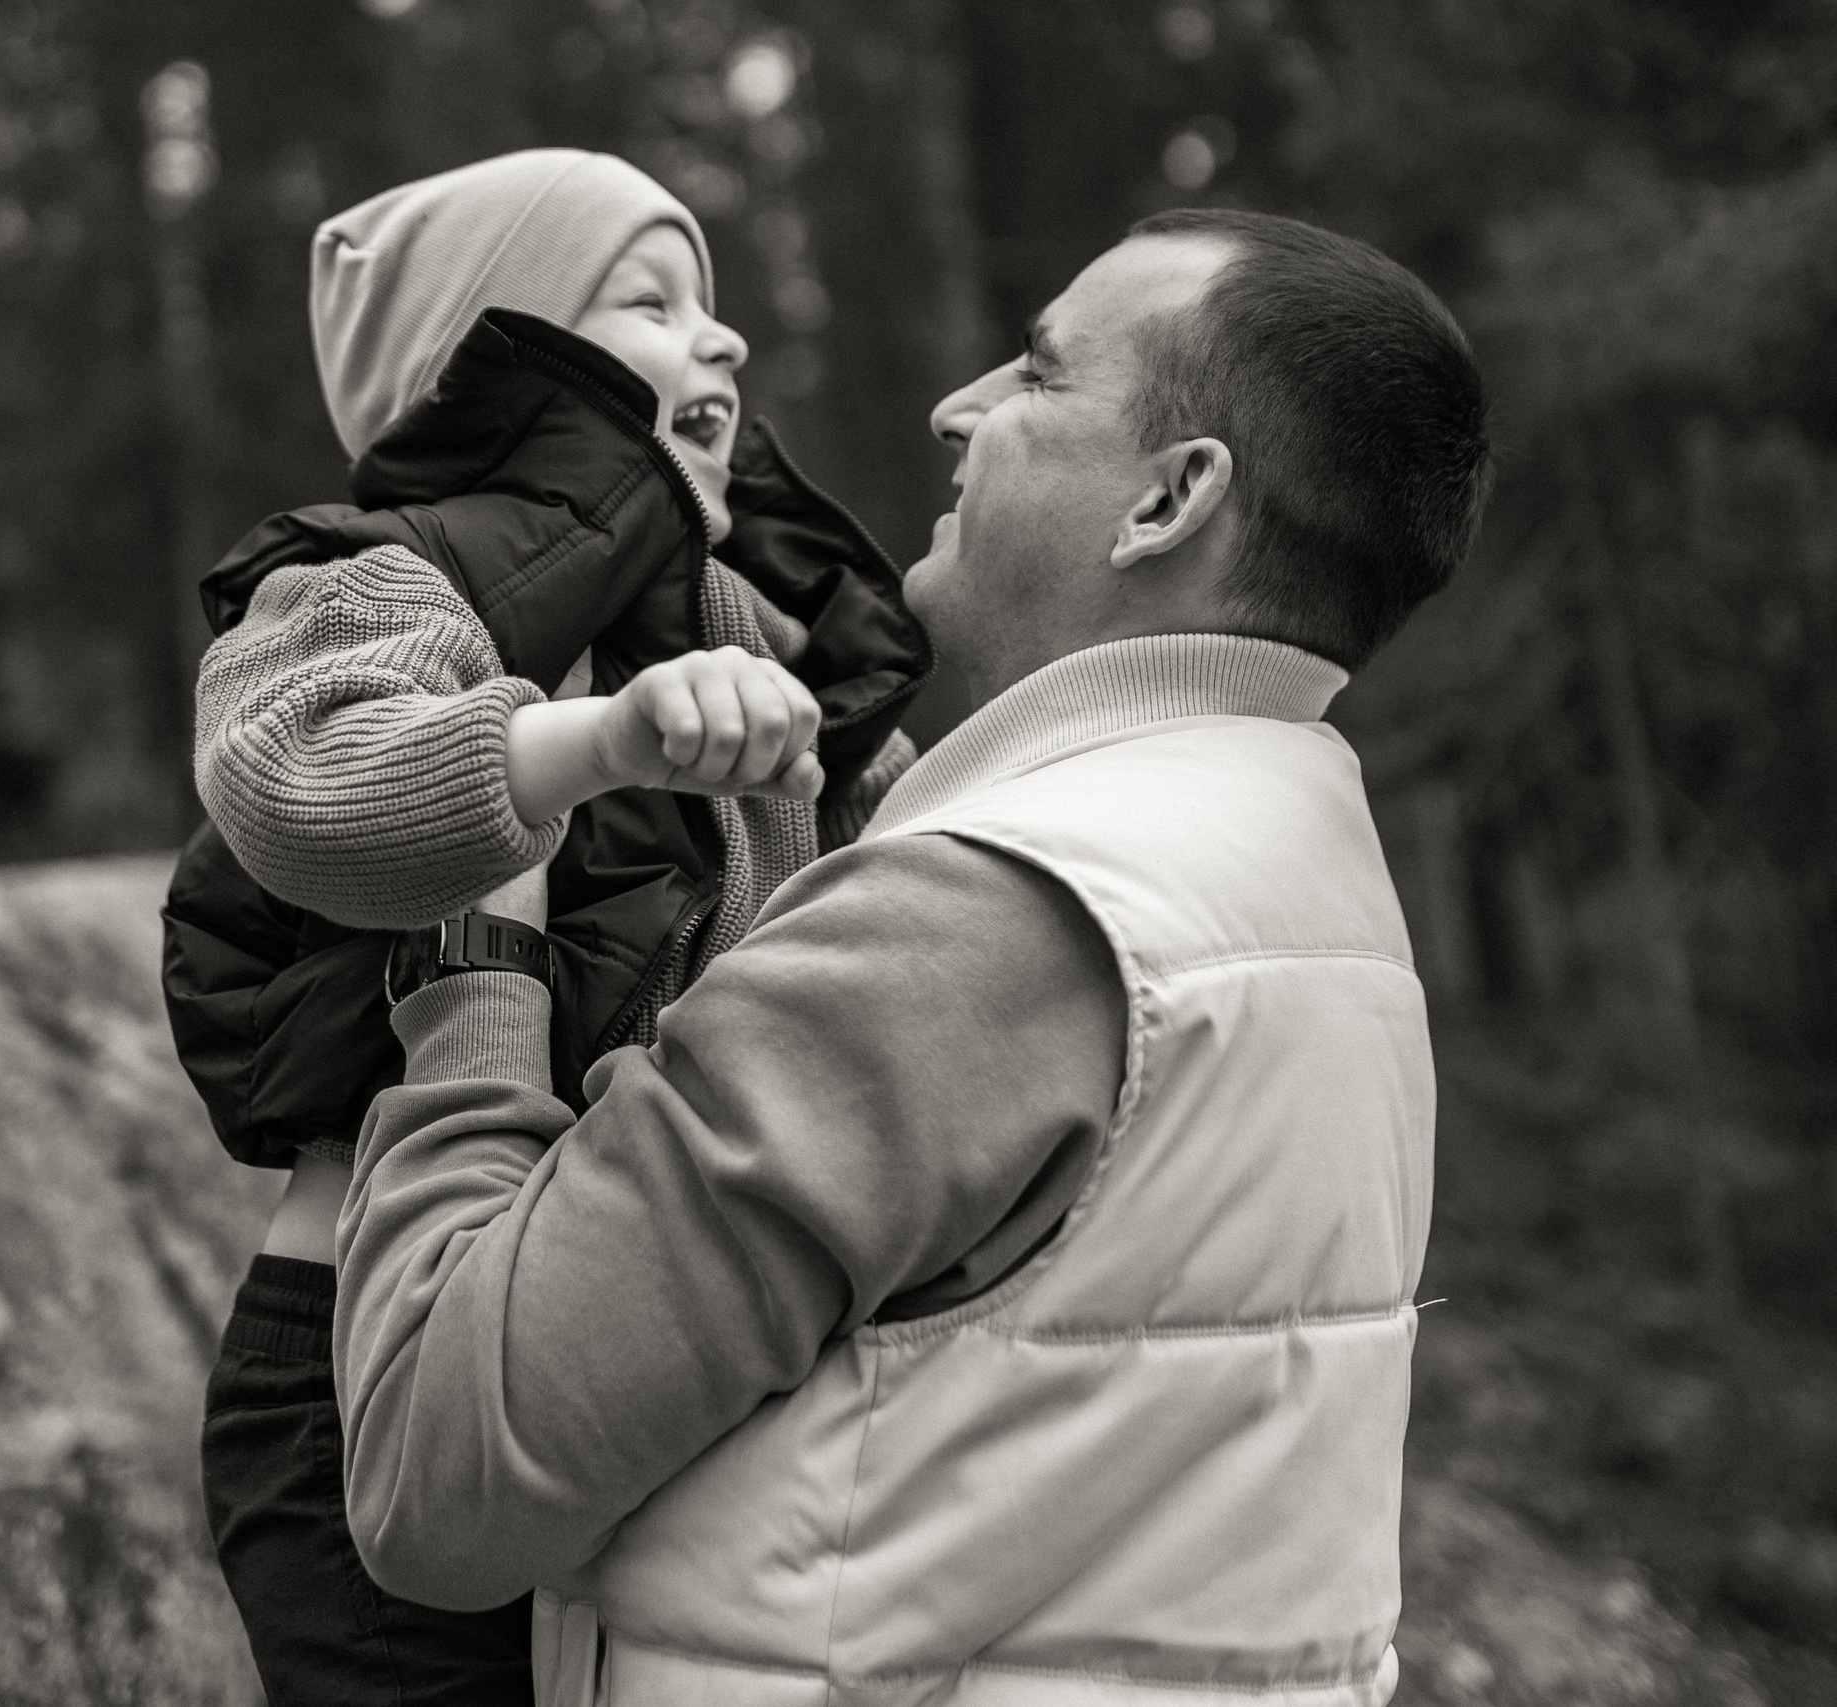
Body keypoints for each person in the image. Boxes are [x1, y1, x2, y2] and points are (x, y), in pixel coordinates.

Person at [332, 207, 1493, 1707]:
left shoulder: (975, 922)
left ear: (1169, 500)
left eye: (1035, 372)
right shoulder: (1312, 880)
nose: (960, 408)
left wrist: (481, 968)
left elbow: (443, 1479)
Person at [160, 149, 929, 1705]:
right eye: (648, 301)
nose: (718, 341)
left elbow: (901, 882)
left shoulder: (754, 616)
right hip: (356, 1360)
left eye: (714, 307)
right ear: (484, 361)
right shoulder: (371, 576)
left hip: (611, 1334)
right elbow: (299, 777)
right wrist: (595, 745)